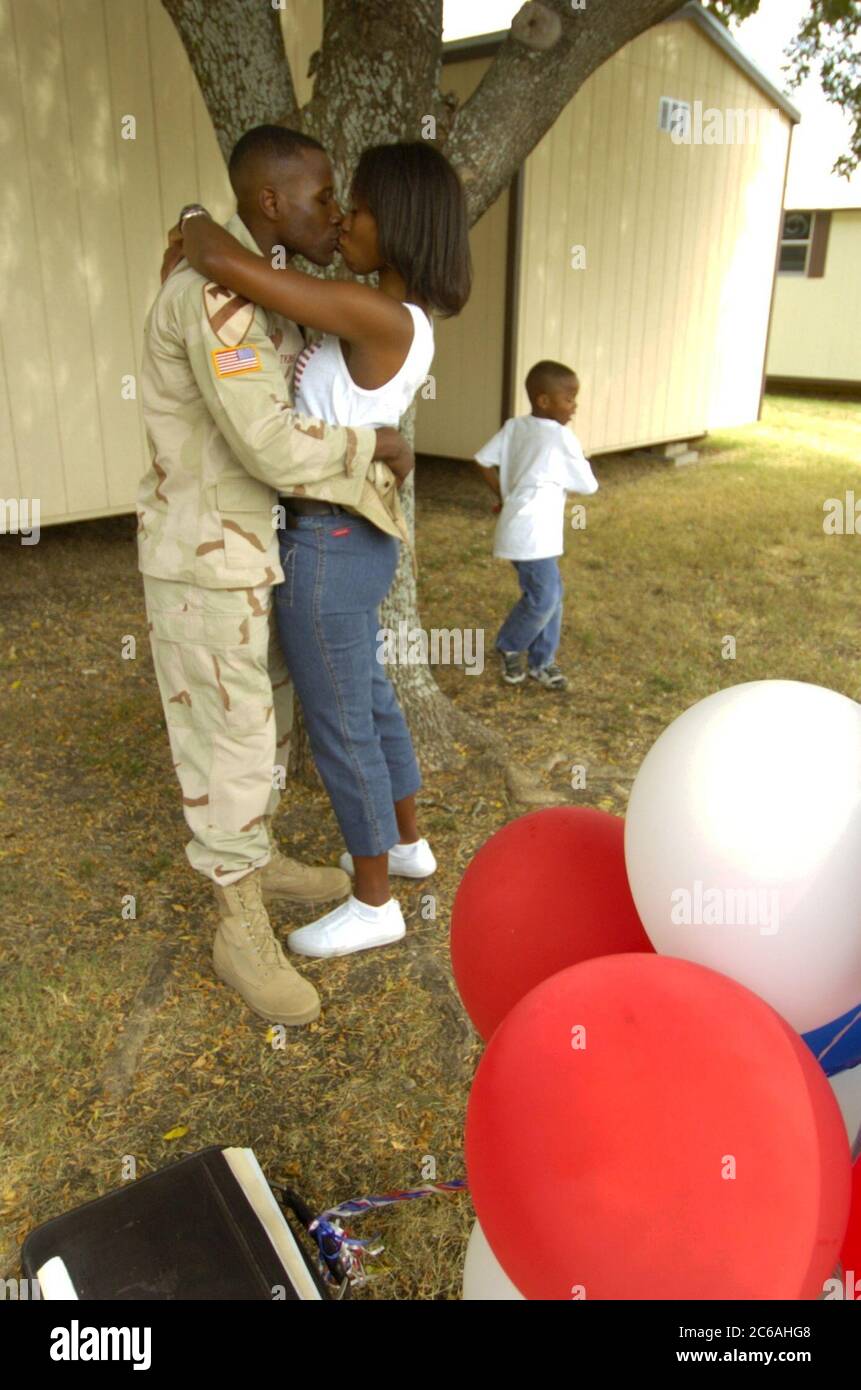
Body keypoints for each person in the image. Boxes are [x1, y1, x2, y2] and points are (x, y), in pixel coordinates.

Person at [139, 125, 414, 1029]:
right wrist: (374, 445)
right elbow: (266, 443)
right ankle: (237, 924)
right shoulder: (213, 298)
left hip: (258, 552)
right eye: (321, 195)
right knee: (231, 744)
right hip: (209, 559)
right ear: (269, 203)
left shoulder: (253, 278)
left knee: (266, 723)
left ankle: (255, 861)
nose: (334, 212)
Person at [170, 136, 472, 961]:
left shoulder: (375, 312)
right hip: (355, 539)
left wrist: (199, 223)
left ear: (400, 227)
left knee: (341, 723)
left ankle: (374, 902)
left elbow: (245, 274)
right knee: (369, 700)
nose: (342, 218)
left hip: (327, 545)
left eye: (360, 208)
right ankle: (406, 845)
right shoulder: (392, 313)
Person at [473, 360, 598, 691]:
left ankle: (542, 662)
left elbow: (483, 460)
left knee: (552, 594)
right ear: (544, 400)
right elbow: (588, 485)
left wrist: (504, 494)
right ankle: (510, 645)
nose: (575, 406)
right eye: (569, 398)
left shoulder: (515, 427)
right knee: (543, 598)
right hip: (532, 535)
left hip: (524, 530)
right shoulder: (561, 437)